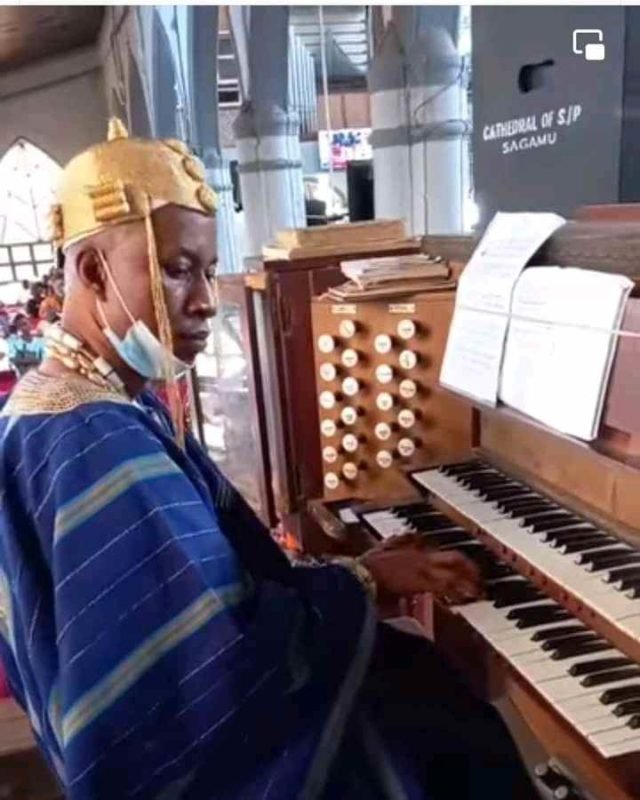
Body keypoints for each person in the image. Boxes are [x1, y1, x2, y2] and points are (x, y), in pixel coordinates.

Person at [0, 121, 539, 800]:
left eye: (208, 270)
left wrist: (353, 578)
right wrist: (363, 582)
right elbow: (212, 669)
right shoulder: (94, 437)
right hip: (202, 770)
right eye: (176, 269)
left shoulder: (65, 403)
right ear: (90, 272)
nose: (202, 300)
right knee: (439, 723)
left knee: (418, 677)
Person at [7, 311, 44, 376]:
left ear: (30, 323)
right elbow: (13, 359)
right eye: (20, 325)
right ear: (18, 328)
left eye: (25, 323)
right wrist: (33, 360)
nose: (24, 327)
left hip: (41, 375)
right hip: (25, 377)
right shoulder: (14, 342)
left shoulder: (40, 340)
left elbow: (44, 358)